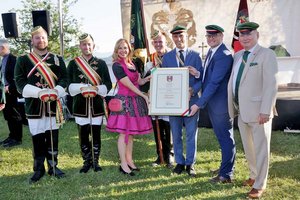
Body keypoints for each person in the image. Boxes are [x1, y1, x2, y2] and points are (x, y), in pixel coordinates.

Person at [227, 22, 278, 199]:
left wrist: (265, 110)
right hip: (242, 111)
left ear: (257, 35)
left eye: (249, 34)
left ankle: (260, 184)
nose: (245, 37)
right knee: (249, 148)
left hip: (259, 113)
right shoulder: (238, 55)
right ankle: (253, 175)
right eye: (242, 35)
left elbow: (271, 85)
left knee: (261, 148)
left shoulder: (267, 54)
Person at [14, 26, 67, 183]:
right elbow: (20, 83)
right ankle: (39, 169)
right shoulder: (23, 60)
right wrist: (39, 93)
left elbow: (64, 78)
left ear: (47, 39)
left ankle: (53, 166)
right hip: (34, 106)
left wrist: (56, 90)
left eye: (43, 37)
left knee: (52, 136)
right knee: (37, 137)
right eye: (37, 38)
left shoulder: (57, 59)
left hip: (52, 104)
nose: (41, 40)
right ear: (32, 40)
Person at [189, 25, 236, 183]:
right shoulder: (212, 51)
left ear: (222, 36)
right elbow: (209, 75)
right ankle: (226, 166)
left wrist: (198, 104)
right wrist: (197, 73)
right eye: (208, 36)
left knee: (225, 138)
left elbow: (214, 83)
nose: (211, 39)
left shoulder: (223, 54)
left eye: (214, 36)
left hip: (221, 105)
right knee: (223, 137)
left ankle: (226, 175)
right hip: (215, 104)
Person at [106, 38, 152, 176]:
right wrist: (144, 95)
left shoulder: (132, 63)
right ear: (116, 50)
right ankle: (123, 164)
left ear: (129, 49)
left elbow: (138, 81)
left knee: (130, 134)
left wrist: (148, 78)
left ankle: (130, 160)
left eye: (125, 48)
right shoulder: (117, 66)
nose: (123, 50)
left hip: (135, 101)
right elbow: (129, 85)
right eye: (120, 48)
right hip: (125, 102)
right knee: (123, 133)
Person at [67, 33, 112, 173]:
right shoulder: (73, 64)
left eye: (89, 44)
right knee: (83, 135)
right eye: (83, 44)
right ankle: (86, 161)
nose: (86, 47)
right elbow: (68, 85)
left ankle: (96, 162)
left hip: (97, 105)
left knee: (96, 134)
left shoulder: (102, 63)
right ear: (80, 46)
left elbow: (108, 84)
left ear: (93, 45)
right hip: (80, 105)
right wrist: (81, 89)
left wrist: (96, 89)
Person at [162, 25, 202, 177]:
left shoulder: (195, 55)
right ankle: (179, 161)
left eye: (181, 36)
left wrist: (193, 89)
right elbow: (165, 80)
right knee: (176, 133)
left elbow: (201, 78)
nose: (179, 39)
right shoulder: (167, 57)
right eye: (176, 37)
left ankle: (190, 163)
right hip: (174, 102)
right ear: (172, 38)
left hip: (191, 101)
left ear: (187, 36)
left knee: (191, 134)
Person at [145, 30, 173, 168]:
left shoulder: (172, 56)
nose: (157, 44)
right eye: (155, 42)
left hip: (168, 97)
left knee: (168, 128)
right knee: (157, 128)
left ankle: (170, 155)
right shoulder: (150, 59)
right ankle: (160, 154)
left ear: (166, 41)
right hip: (155, 98)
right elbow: (145, 80)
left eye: (160, 41)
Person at [0, 39, 23, 148]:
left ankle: (17, 138)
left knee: (14, 115)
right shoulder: (3, 59)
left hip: (12, 92)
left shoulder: (14, 60)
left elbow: (17, 78)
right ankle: (11, 136)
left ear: (2, 48)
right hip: (5, 93)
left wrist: (9, 88)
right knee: (8, 115)